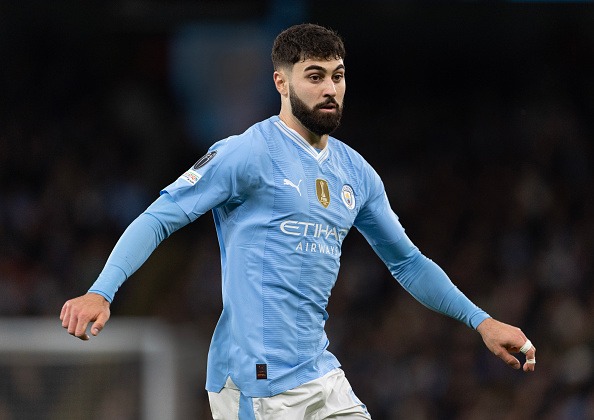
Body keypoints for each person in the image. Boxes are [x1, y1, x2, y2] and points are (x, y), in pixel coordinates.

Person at [60, 23, 536, 419]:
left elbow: (408, 263)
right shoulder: (247, 153)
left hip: (319, 373)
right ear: (281, 83)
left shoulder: (356, 173)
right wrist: (102, 290)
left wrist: (481, 321)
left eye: (338, 76)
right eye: (315, 76)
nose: (330, 89)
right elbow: (160, 217)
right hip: (255, 381)